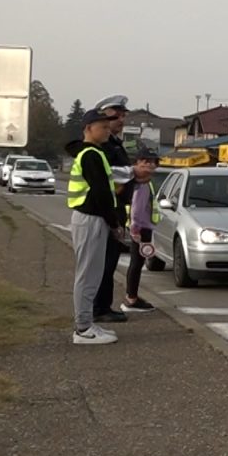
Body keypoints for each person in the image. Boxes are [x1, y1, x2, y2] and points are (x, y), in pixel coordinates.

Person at [65, 110, 123, 345]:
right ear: (88, 128)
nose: (108, 131)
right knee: (88, 274)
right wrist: (114, 222)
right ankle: (82, 327)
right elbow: (100, 192)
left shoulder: (93, 153)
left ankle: (87, 322)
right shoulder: (91, 155)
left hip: (90, 218)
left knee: (92, 273)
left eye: (108, 128)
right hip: (90, 218)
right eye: (103, 127)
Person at [92, 95, 133, 325]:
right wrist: (132, 172)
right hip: (107, 210)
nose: (121, 119)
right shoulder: (104, 145)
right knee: (104, 263)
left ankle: (103, 305)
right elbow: (110, 173)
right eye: (116, 114)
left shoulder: (115, 143)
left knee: (110, 261)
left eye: (123, 115)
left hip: (117, 208)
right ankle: (99, 308)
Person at [117, 149, 161, 314]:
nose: (149, 164)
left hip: (143, 227)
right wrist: (135, 229)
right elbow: (136, 209)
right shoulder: (141, 183)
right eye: (144, 161)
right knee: (136, 263)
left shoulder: (145, 181)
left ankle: (132, 297)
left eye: (152, 161)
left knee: (137, 263)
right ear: (136, 163)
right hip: (141, 229)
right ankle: (131, 299)